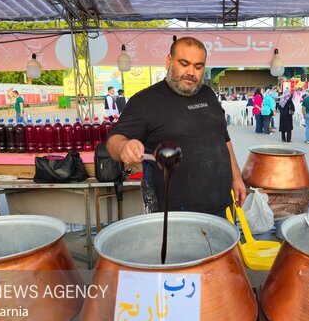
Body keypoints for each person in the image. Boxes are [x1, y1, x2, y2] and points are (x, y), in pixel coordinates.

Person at [105, 36, 247, 215]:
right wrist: (124, 146)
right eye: (184, 63)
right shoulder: (145, 101)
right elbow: (113, 141)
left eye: (198, 66)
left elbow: (224, 138)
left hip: (220, 206)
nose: (191, 72)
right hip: (173, 214)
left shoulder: (208, 94)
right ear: (169, 61)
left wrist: (236, 177)